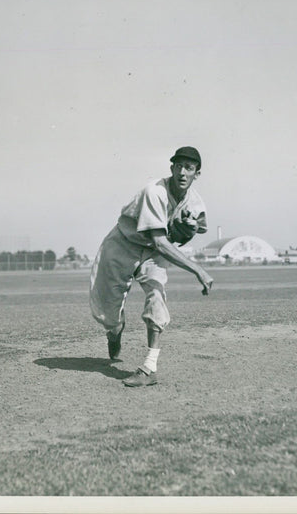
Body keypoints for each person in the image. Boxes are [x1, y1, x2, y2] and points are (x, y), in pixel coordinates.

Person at [89, 146, 213, 387]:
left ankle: (149, 367)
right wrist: (198, 269)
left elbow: (176, 238)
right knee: (109, 314)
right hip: (122, 245)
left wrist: (186, 230)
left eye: (189, 167)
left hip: (153, 253)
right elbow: (160, 239)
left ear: (197, 173)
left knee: (157, 295)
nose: (183, 172)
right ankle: (115, 331)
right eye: (178, 166)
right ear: (172, 168)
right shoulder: (154, 192)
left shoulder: (195, 203)